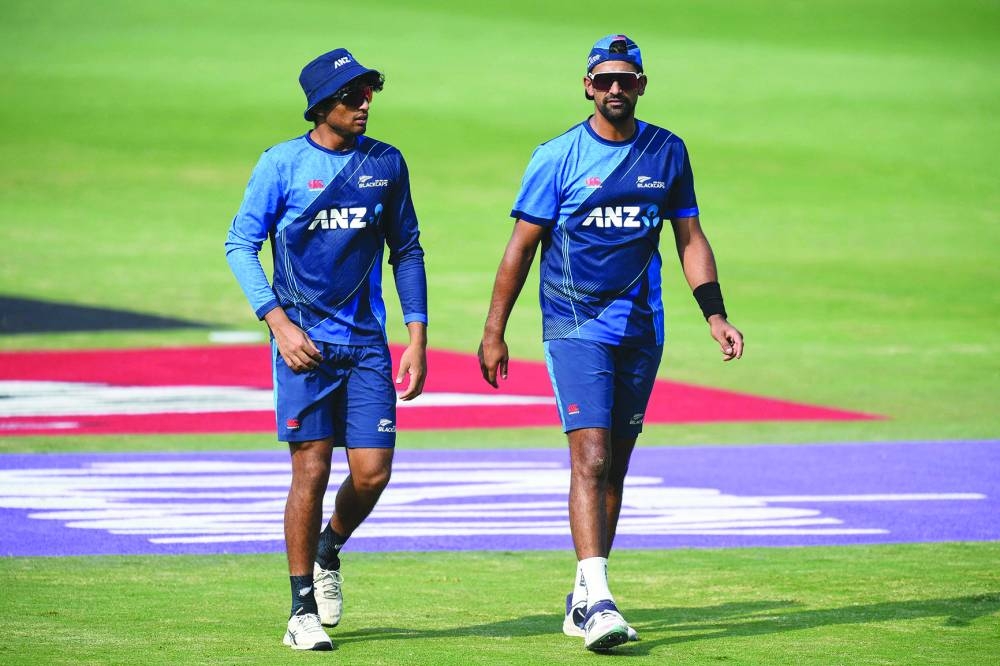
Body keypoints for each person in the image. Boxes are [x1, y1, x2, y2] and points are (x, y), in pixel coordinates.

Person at [478, 34, 744, 652]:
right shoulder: (557, 157)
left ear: (642, 85)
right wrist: (495, 331)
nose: (616, 88)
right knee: (590, 458)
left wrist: (715, 314)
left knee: (616, 466)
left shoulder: (667, 151)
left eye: (627, 78)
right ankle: (598, 599)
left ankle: (582, 596)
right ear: (587, 86)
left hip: (641, 328)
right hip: (574, 327)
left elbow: (689, 238)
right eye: (605, 79)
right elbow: (520, 249)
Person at [225, 48, 428, 651]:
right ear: (321, 106)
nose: (364, 104)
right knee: (309, 471)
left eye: (368, 93)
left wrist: (415, 335)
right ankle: (299, 610)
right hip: (304, 345)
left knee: (372, 474)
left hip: (366, 344)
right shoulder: (282, 165)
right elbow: (241, 245)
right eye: (351, 96)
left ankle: (328, 548)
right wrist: (278, 324)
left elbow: (407, 250)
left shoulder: (386, 163)